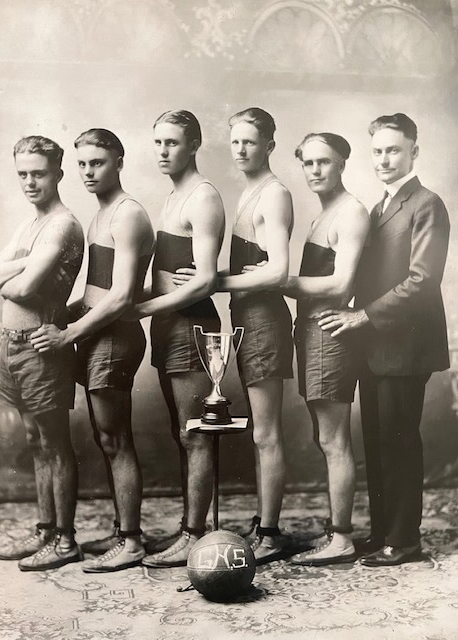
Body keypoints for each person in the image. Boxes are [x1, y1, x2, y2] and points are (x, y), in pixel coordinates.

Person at [319, 113, 450, 566]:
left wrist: (362, 317)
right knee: (375, 442)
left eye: (393, 150)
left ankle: (405, 541)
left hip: (405, 347)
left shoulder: (426, 203)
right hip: (375, 347)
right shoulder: (378, 208)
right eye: (377, 151)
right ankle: (382, 532)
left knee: (398, 442)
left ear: (414, 151)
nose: (384, 159)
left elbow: (422, 281)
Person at [30, 129, 155, 572]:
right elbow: (94, 291)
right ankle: (125, 530)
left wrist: (68, 335)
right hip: (95, 333)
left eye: (97, 163)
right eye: (82, 164)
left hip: (115, 337)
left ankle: (132, 540)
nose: (87, 172)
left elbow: (121, 298)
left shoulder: (127, 215)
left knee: (115, 439)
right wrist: (59, 317)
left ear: (119, 161)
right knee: (107, 439)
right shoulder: (101, 213)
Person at [175, 107, 295, 564]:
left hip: (265, 320)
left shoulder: (275, 195)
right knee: (261, 432)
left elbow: (279, 270)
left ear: (270, 145)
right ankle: (266, 524)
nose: (241, 149)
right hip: (248, 315)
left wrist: (212, 281)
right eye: (236, 142)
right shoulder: (250, 192)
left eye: (251, 141)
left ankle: (270, 531)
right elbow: (252, 268)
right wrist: (212, 276)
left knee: (266, 433)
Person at [251, 132, 369, 566]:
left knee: (333, 438)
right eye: (308, 163)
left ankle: (342, 538)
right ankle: (338, 531)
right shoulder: (325, 213)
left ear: (342, 164)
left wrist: (279, 279)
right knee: (327, 438)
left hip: (327, 332)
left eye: (325, 162)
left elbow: (342, 284)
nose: (315, 171)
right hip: (311, 331)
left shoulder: (351, 211)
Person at [0, 136, 84, 570]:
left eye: (38, 173)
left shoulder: (61, 225)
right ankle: (46, 529)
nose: (29, 181)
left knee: (54, 442)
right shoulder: (29, 226)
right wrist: (27, 260)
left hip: (42, 346)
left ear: (58, 173)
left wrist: (18, 269)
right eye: (22, 173)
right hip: (13, 347)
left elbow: (20, 289)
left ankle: (65, 540)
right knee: (33, 440)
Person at [132, 110, 225, 568]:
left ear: (194, 145)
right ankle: (191, 525)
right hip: (170, 324)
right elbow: (165, 277)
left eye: (172, 142)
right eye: (157, 143)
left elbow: (205, 280)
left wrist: (143, 309)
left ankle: (194, 534)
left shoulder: (203, 197)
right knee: (181, 431)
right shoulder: (172, 197)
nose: (163, 152)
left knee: (196, 434)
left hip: (192, 325)